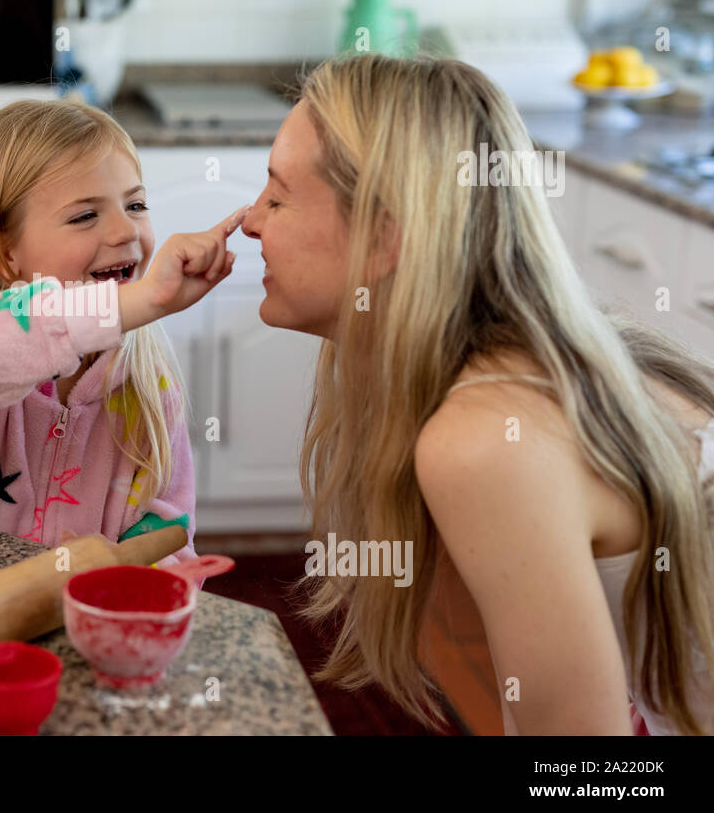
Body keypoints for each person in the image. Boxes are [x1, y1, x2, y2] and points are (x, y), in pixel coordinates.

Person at [242, 53, 714, 734]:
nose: (250, 221)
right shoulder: (529, 370)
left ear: (383, 238)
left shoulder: (487, 436)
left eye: (277, 196)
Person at [0, 99, 247, 563]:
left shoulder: (145, 381)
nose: (124, 231)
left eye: (135, 204)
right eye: (84, 216)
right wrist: (145, 300)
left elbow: (166, 533)